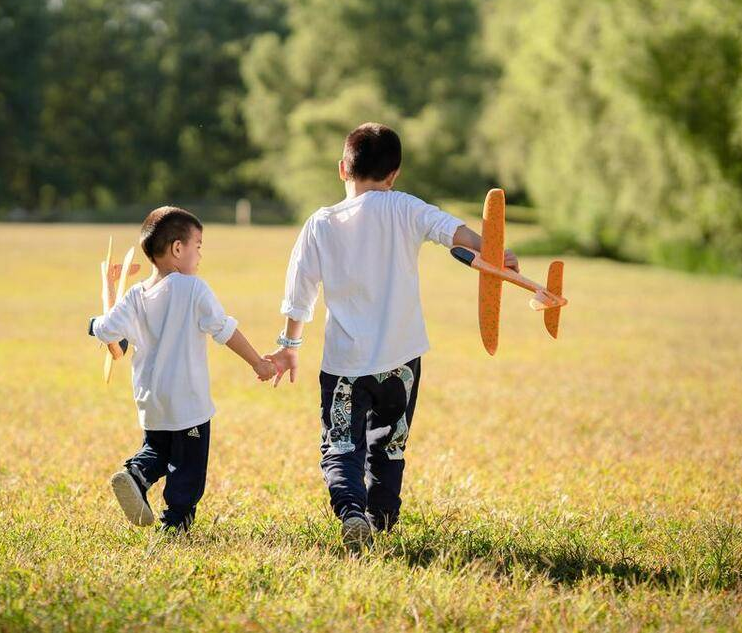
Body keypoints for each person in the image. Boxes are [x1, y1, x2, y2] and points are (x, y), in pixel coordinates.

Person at [266, 123, 519, 551]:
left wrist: (290, 348)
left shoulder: (321, 223)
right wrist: (491, 251)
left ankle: (351, 511)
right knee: (390, 442)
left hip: (346, 364)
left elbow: (299, 293)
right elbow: (452, 232)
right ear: (395, 173)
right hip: (402, 361)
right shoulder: (405, 207)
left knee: (343, 443)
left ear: (342, 169)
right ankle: (381, 519)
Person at [88, 207, 277, 531]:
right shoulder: (193, 289)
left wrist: (94, 323)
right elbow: (224, 330)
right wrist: (258, 361)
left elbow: (108, 332)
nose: (200, 255)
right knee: (187, 464)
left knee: (157, 450)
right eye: (198, 246)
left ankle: (136, 474)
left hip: (151, 398)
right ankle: (176, 522)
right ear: (178, 249)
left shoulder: (136, 294)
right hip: (187, 401)